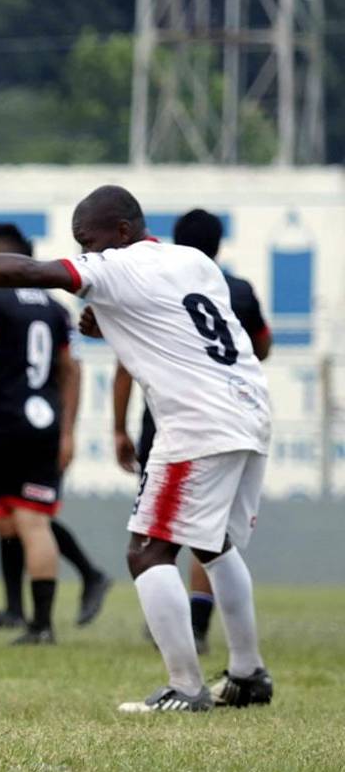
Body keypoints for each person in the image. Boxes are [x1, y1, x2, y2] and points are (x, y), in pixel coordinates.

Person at [0, 185, 273, 713]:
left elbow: (30, 272)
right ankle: (247, 674)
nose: (85, 253)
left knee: (148, 552)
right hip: (250, 409)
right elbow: (177, 322)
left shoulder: (116, 266)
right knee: (213, 547)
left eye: (88, 241)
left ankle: (186, 689)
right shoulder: (191, 261)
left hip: (197, 423)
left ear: (122, 231)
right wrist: (112, 318)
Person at [0, 223, 111, 647]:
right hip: (43, 425)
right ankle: (42, 625)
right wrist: (68, 432)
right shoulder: (56, 307)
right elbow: (71, 370)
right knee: (32, 519)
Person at [114, 209, 272, 655]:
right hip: (240, 412)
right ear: (220, 246)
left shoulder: (151, 282)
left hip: (178, 421)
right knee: (211, 537)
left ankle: (184, 676)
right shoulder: (234, 289)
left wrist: (117, 427)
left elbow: (125, 365)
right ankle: (220, 642)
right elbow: (261, 346)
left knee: (149, 545)